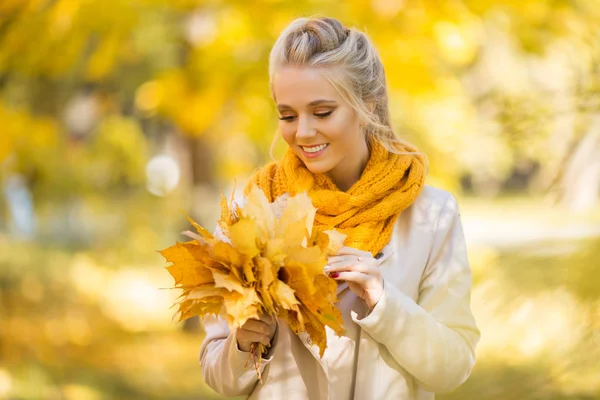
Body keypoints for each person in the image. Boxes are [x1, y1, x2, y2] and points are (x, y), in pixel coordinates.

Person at [199, 16, 480, 400]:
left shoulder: (430, 215)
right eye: (287, 115)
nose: (302, 132)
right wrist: (243, 345)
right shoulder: (250, 209)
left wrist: (385, 303)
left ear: (369, 103)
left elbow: (454, 366)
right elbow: (218, 374)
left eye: (323, 111)